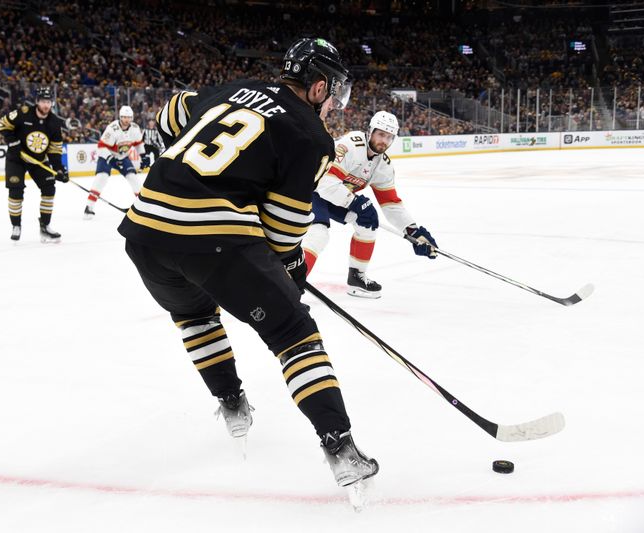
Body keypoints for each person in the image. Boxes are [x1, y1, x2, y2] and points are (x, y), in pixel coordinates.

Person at [118, 37, 378, 489]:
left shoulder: (233, 88)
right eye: (333, 90)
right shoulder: (311, 135)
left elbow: (171, 112)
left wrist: (181, 170)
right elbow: (280, 232)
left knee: (194, 315)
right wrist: (291, 270)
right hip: (214, 238)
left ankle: (232, 404)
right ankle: (341, 448)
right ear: (317, 87)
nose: (334, 102)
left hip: (144, 231)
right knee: (294, 334)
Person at [302, 111, 438, 298]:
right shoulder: (351, 145)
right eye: (381, 134)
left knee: (367, 224)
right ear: (370, 131)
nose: (384, 141)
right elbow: (326, 182)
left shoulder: (383, 165)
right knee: (318, 234)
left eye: (389, 137)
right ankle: (291, 287)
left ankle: (356, 278)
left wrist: (413, 231)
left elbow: (390, 203)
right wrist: (355, 202)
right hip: (310, 187)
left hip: (334, 195)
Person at [0, 86, 68, 242]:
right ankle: (16, 226)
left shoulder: (55, 122)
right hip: (17, 158)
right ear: (37, 102)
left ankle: (45, 227)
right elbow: (3, 124)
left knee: (49, 188)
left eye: (49, 102)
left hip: (38, 160)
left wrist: (59, 169)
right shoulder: (23, 113)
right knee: (15, 192)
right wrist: (13, 142)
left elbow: (55, 149)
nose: (46, 105)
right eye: (43, 101)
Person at [84, 106, 147, 219]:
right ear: (120, 117)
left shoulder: (135, 128)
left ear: (132, 118)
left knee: (133, 177)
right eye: (124, 117)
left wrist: (143, 156)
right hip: (107, 156)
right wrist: (111, 159)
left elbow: (138, 144)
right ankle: (89, 207)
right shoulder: (112, 128)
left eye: (129, 117)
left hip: (123, 156)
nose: (126, 120)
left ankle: (142, 206)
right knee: (101, 177)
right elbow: (101, 146)